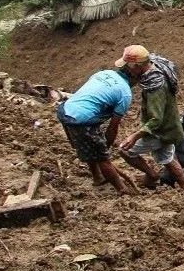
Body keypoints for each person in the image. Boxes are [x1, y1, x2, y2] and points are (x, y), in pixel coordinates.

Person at [55, 57, 141, 194]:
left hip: (65, 111)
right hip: (81, 119)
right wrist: (105, 150)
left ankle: (97, 177)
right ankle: (122, 189)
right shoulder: (125, 93)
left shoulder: (103, 73)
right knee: (102, 157)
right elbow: (113, 127)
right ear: (135, 78)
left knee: (91, 145)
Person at [116, 46, 184, 191]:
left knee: (124, 150)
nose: (127, 70)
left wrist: (134, 136)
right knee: (167, 159)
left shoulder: (155, 86)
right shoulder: (156, 67)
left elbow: (156, 119)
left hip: (159, 131)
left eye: (128, 66)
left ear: (137, 66)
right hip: (170, 127)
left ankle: (152, 175)